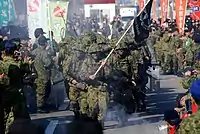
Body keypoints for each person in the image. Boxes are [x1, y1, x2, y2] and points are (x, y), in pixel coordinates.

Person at [31, 35, 52, 113]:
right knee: (43, 91)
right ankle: (40, 106)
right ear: (45, 43)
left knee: (38, 90)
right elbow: (48, 63)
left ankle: (38, 105)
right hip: (43, 75)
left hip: (35, 74)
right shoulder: (44, 53)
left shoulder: (34, 52)